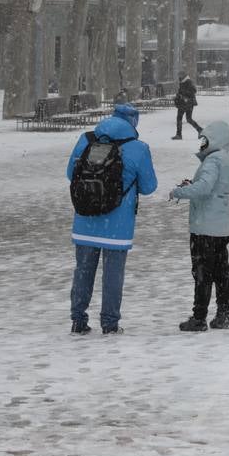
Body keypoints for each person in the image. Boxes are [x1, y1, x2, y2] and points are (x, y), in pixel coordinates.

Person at [65, 103, 158, 334]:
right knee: (113, 276)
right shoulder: (138, 148)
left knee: (83, 271)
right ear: (133, 122)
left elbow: (70, 173)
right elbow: (149, 187)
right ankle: (109, 323)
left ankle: (78, 320)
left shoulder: (86, 139)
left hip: (85, 218)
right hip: (118, 225)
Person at [168, 120, 229, 331]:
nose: (202, 144)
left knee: (202, 273)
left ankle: (199, 318)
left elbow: (204, 188)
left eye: (205, 140)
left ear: (215, 139)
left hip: (205, 226)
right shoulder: (226, 159)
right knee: (221, 271)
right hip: (221, 226)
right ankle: (223, 314)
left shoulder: (213, 160)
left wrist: (179, 192)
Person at [173, 74, 201, 140]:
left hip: (188, 103)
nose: (179, 79)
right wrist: (178, 96)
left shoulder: (188, 82)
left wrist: (184, 95)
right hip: (183, 103)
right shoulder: (182, 83)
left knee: (185, 119)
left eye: (180, 78)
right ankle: (199, 130)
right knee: (185, 119)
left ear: (183, 77)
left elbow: (193, 91)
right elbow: (180, 92)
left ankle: (179, 135)